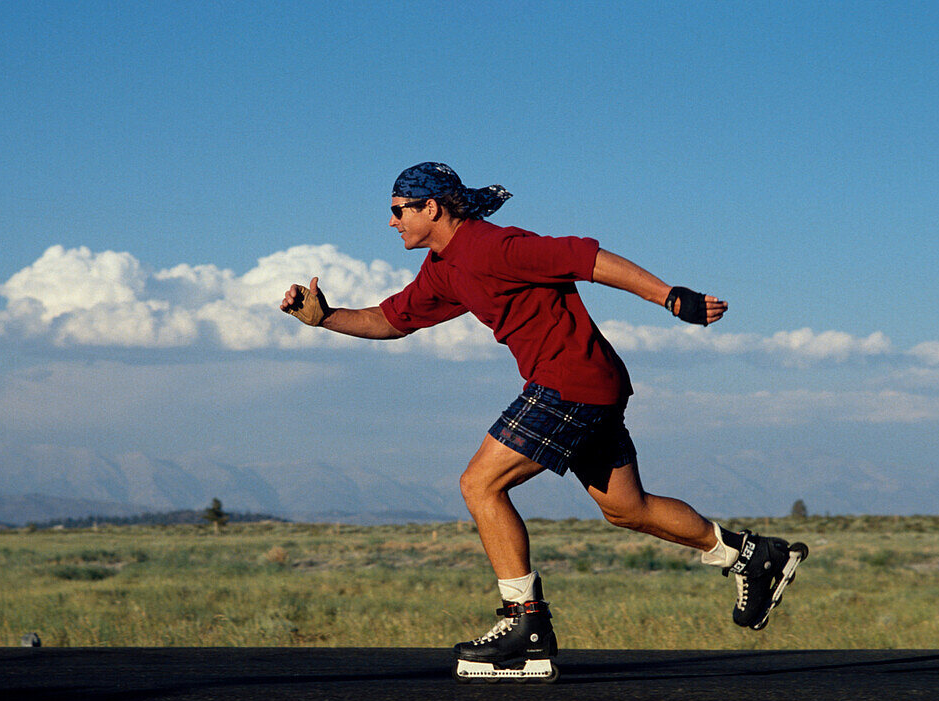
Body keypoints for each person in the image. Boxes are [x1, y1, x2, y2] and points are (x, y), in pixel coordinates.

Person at [280, 162, 806, 675]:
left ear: (431, 207)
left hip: (568, 382)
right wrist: (324, 317)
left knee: (479, 485)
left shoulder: (494, 245)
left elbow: (589, 259)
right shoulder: (444, 268)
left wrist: (669, 297)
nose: (391, 221)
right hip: (590, 384)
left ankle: (524, 624)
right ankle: (751, 556)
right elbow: (391, 320)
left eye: (398, 210)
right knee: (627, 509)